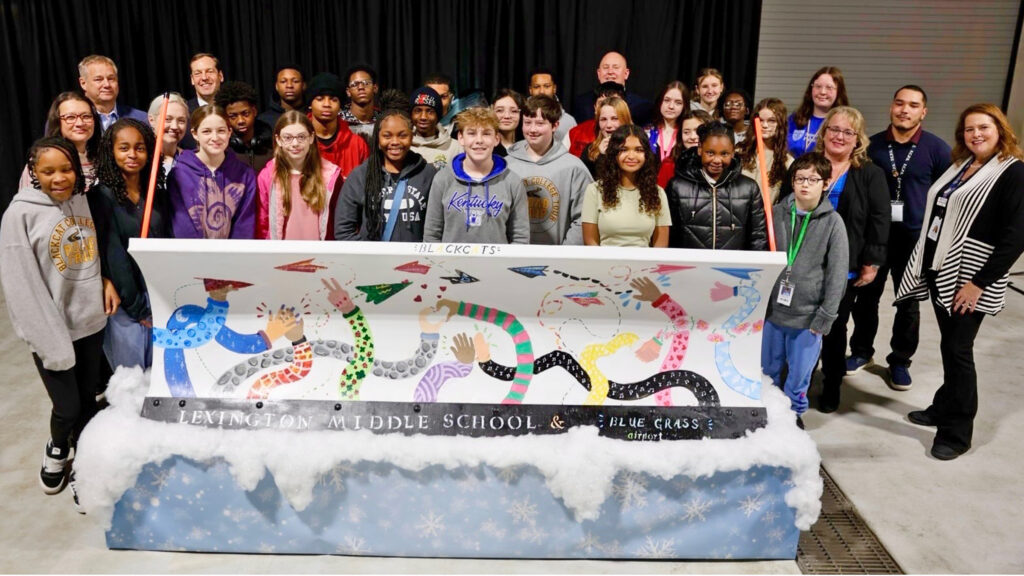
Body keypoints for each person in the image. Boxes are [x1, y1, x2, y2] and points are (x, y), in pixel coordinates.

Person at [896, 104, 1024, 460]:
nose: (976, 134)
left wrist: (978, 283)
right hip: (943, 269)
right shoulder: (963, 166)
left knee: (959, 350)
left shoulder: (1012, 172)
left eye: (984, 127)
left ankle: (956, 432)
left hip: (971, 277)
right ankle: (943, 406)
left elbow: (1016, 237)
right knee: (950, 348)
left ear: (1000, 129)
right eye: (969, 129)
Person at [1, 137, 117, 509]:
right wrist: (51, 342)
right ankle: (56, 447)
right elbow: (22, 287)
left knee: (87, 402)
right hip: (51, 331)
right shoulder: (19, 215)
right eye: (48, 171)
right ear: (33, 172)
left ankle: (85, 468)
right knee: (65, 406)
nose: (59, 178)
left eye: (66, 169)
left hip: (89, 323)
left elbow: (89, 256)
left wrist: (101, 287)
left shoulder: (80, 199)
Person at [784, 107, 889, 414]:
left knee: (832, 326)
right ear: (824, 132)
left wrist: (872, 261)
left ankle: (831, 384)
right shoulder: (807, 166)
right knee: (800, 323)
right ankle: (796, 381)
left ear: (857, 139)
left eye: (848, 132)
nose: (840, 136)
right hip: (804, 263)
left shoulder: (870, 173)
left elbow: (880, 220)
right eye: (834, 129)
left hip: (845, 266)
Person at [849, 86, 952, 389]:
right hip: (876, 236)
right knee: (866, 297)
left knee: (908, 302)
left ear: (923, 112)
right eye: (899, 103)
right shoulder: (873, 146)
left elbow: (948, 195)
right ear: (891, 107)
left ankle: (900, 361)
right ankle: (861, 352)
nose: (905, 110)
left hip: (914, 240)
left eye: (913, 105)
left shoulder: (937, 149)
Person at [762, 154, 849, 429]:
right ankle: (768, 414)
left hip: (808, 318)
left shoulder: (833, 223)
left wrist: (826, 316)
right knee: (768, 370)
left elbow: (837, 274)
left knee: (799, 375)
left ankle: (792, 417)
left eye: (813, 180)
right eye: (800, 178)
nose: (805, 185)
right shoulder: (776, 213)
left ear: (825, 184)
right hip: (773, 313)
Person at [88, 118, 169, 370]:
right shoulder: (100, 197)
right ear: (111, 152)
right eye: (124, 148)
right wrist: (139, 308)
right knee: (131, 383)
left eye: (140, 147)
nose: (132, 154)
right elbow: (114, 256)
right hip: (126, 304)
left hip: (158, 296)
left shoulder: (158, 194)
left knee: (159, 377)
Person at [423, 107, 529, 244]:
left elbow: (520, 238)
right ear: (461, 138)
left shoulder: (512, 182)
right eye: (472, 133)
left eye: (486, 134)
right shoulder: (443, 179)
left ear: (496, 139)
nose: (479, 140)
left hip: (496, 265)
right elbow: (432, 235)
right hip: (450, 265)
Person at [335, 109, 436, 242]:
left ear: (412, 136)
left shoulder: (428, 174)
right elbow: (343, 230)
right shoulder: (360, 176)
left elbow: (437, 228)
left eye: (402, 135)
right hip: (373, 261)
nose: (395, 142)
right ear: (378, 138)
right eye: (387, 136)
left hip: (415, 261)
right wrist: (368, 258)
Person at [506, 95, 593, 245]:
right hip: (513, 256)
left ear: (555, 126)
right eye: (527, 122)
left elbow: (583, 218)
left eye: (540, 123)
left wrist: (564, 255)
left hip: (559, 259)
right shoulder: (507, 165)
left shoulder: (574, 168)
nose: (532, 129)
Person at [665, 123, 768, 250]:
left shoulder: (749, 187)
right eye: (710, 153)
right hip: (690, 267)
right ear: (699, 149)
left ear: (733, 153)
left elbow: (758, 236)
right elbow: (669, 235)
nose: (717, 160)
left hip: (733, 267)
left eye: (724, 154)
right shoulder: (677, 186)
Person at [168, 105, 257, 239]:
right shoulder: (179, 173)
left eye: (221, 131)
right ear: (194, 134)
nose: (215, 138)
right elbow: (181, 224)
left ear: (229, 132)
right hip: (192, 255)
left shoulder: (245, 174)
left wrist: (233, 257)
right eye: (207, 131)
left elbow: (244, 224)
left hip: (232, 256)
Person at [257, 111, 343, 240]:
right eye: (288, 138)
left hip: (320, 255)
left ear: (311, 138)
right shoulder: (268, 176)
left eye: (301, 137)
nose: (295, 143)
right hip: (281, 255)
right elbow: (262, 223)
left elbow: (338, 222)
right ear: (278, 140)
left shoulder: (331, 176)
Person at [582, 124, 670, 247]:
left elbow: (661, 244)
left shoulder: (658, 193)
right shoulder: (594, 190)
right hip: (605, 264)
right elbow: (591, 241)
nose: (631, 156)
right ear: (614, 153)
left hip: (645, 265)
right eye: (624, 149)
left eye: (639, 150)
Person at [21, 93, 102, 190]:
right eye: (70, 117)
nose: (80, 123)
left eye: (86, 116)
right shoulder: (41, 160)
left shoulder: (103, 158)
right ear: (57, 122)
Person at [307, 73, 370, 178]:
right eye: (320, 99)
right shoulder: (297, 143)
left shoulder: (357, 145)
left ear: (340, 105)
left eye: (333, 99)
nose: (327, 104)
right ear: (310, 104)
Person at [571, 51, 653, 125]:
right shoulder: (582, 103)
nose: (610, 72)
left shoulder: (641, 106)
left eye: (615, 67)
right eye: (606, 67)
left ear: (626, 73)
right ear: (598, 74)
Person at [738, 98, 794, 203]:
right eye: (760, 120)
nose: (764, 125)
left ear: (780, 123)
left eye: (771, 120)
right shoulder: (739, 152)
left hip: (767, 216)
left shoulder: (787, 162)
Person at [787, 66, 849, 158]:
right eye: (818, 86)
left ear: (839, 92)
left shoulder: (845, 124)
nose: (823, 92)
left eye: (829, 87)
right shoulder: (794, 119)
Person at [214, 81, 274, 174]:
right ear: (225, 117)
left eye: (245, 114)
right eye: (233, 116)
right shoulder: (221, 149)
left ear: (254, 111)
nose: (240, 120)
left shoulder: (271, 145)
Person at [76, 55, 148, 131]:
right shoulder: (75, 121)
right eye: (98, 79)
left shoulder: (141, 119)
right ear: (83, 83)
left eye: (111, 79)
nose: (107, 84)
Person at [645, 81, 689, 188]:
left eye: (678, 102)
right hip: (648, 192)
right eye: (667, 100)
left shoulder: (687, 135)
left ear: (684, 106)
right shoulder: (647, 132)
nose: (671, 106)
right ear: (660, 102)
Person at [568, 82, 626, 159]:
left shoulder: (638, 138)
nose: (607, 106)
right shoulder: (576, 133)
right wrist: (600, 156)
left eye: (614, 102)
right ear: (595, 108)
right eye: (602, 103)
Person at [409, 86, 462, 170]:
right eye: (418, 111)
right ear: (411, 115)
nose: (423, 117)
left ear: (438, 116)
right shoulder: (404, 146)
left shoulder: (455, 148)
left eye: (430, 111)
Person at [582, 96, 633, 177]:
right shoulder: (589, 151)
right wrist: (602, 156)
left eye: (615, 119)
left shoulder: (638, 149)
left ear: (625, 120)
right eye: (603, 119)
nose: (608, 125)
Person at [527, 67, 577, 144]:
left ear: (554, 88)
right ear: (530, 90)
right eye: (537, 87)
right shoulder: (519, 116)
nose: (542, 91)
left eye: (547, 86)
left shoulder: (569, 121)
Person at [147, 92, 190, 175]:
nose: (174, 126)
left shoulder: (191, 161)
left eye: (181, 121)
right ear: (151, 120)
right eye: (167, 119)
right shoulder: (142, 159)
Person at [340, 64, 382, 145]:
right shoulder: (338, 121)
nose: (361, 87)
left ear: (375, 88)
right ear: (348, 92)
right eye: (354, 84)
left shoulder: (384, 120)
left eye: (366, 83)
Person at [258, 64, 306, 129]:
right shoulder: (264, 121)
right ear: (276, 86)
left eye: (295, 81)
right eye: (283, 81)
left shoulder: (313, 115)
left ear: (303, 85)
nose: (289, 85)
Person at [492, 88, 526, 157]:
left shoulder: (528, 147)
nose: (507, 116)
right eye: (500, 110)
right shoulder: (485, 147)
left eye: (513, 111)